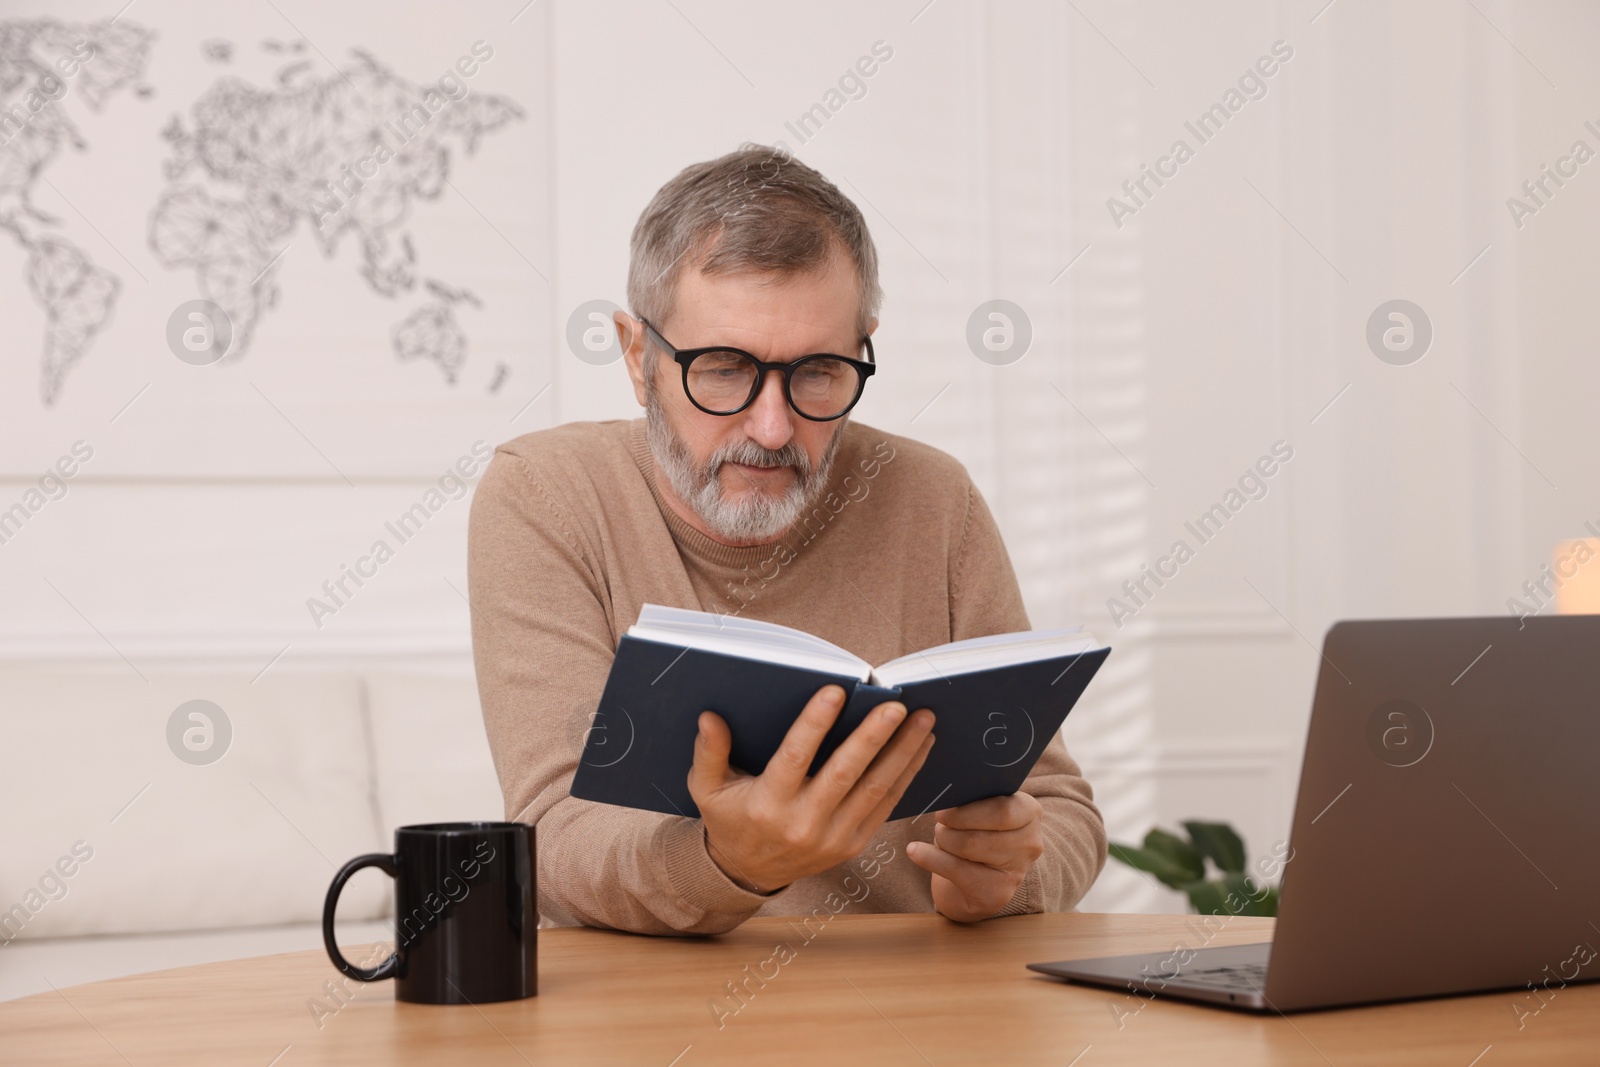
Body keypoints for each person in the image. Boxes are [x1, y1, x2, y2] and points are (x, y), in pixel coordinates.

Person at [468, 144, 1105, 935]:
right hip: (647, 1016)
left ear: (862, 346)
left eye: (818, 372)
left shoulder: (936, 500)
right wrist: (725, 863)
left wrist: (1011, 872)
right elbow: (550, 839)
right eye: (725, 367)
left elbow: (1060, 807)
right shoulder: (545, 494)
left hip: (905, 1007)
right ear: (639, 357)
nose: (773, 428)